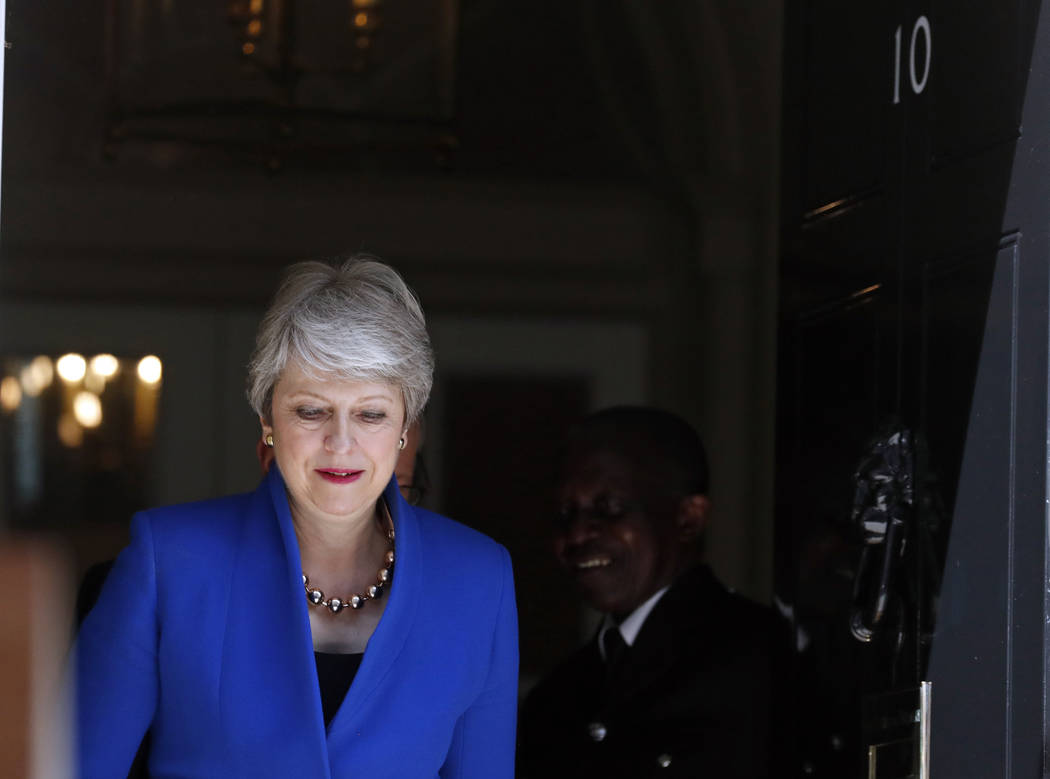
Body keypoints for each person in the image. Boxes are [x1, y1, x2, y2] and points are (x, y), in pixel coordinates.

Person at [76, 256, 519, 778]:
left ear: (405, 427)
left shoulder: (478, 578)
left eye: (371, 413)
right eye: (311, 411)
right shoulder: (169, 560)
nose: (341, 442)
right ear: (267, 419)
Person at [517, 406, 777, 778]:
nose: (576, 535)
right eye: (564, 513)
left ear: (689, 518)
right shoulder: (555, 700)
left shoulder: (761, 661)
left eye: (610, 508)